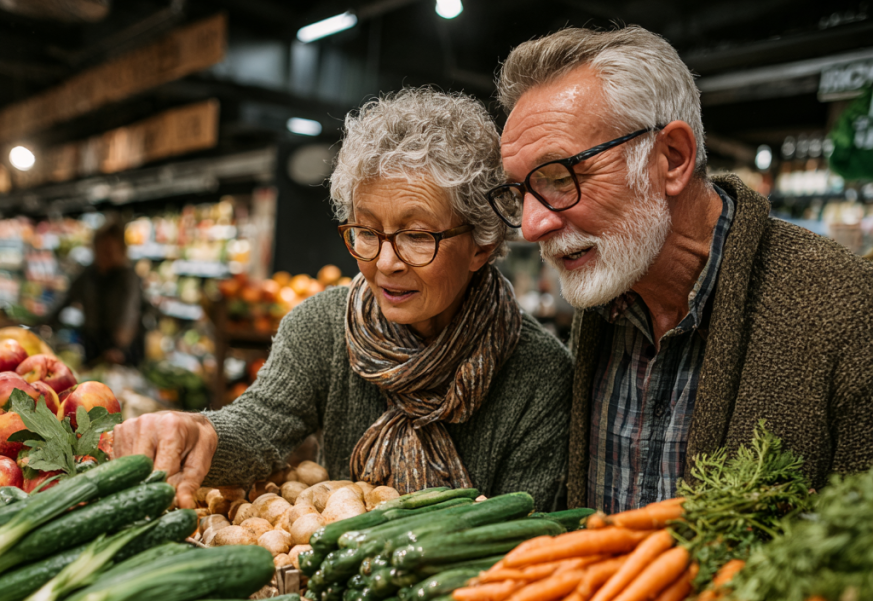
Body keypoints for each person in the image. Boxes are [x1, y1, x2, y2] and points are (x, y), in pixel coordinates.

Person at [114, 88, 573, 510]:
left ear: (483, 244)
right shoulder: (323, 326)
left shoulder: (538, 374)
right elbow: (259, 426)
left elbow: (525, 533)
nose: (386, 262)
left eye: (416, 236)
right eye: (366, 232)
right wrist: (199, 432)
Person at [488, 26, 873, 513]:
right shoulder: (610, 299)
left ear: (672, 158)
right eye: (519, 191)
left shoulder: (846, 311)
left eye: (560, 178)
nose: (531, 224)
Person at [51, 219, 144, 366]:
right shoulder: (88, 274)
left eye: (109, 251)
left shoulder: (128, 277)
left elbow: (129, 313)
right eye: (100, 250)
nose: (104, 256)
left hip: (121, 348)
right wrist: (46, 323)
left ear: (121, 250)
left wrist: (118, 347)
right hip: (92, 341)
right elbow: (67, 299)